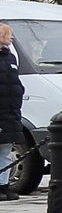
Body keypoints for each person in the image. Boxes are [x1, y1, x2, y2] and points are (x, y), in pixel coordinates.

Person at [0, 23, 20, 200]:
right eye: (9, 34)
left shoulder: (10, 57)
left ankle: (3, 185)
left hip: (9, 111)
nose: (12, 37)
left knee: (5, 151)